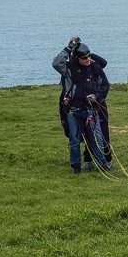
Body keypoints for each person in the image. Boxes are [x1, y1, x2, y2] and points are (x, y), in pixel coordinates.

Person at [52, 40, 111, 174]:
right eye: (84, 57)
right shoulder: (68, 69)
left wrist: (96, 96)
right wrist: (68, 48)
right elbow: (56, 64)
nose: (88, 59)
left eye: (89, 56)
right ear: (76, 58)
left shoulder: (95, 67)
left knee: (96, 138)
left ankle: (103, 164)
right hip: (73, 111)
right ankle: (76, 166)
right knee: (74, 139)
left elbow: (105, 83)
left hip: (91, 110)